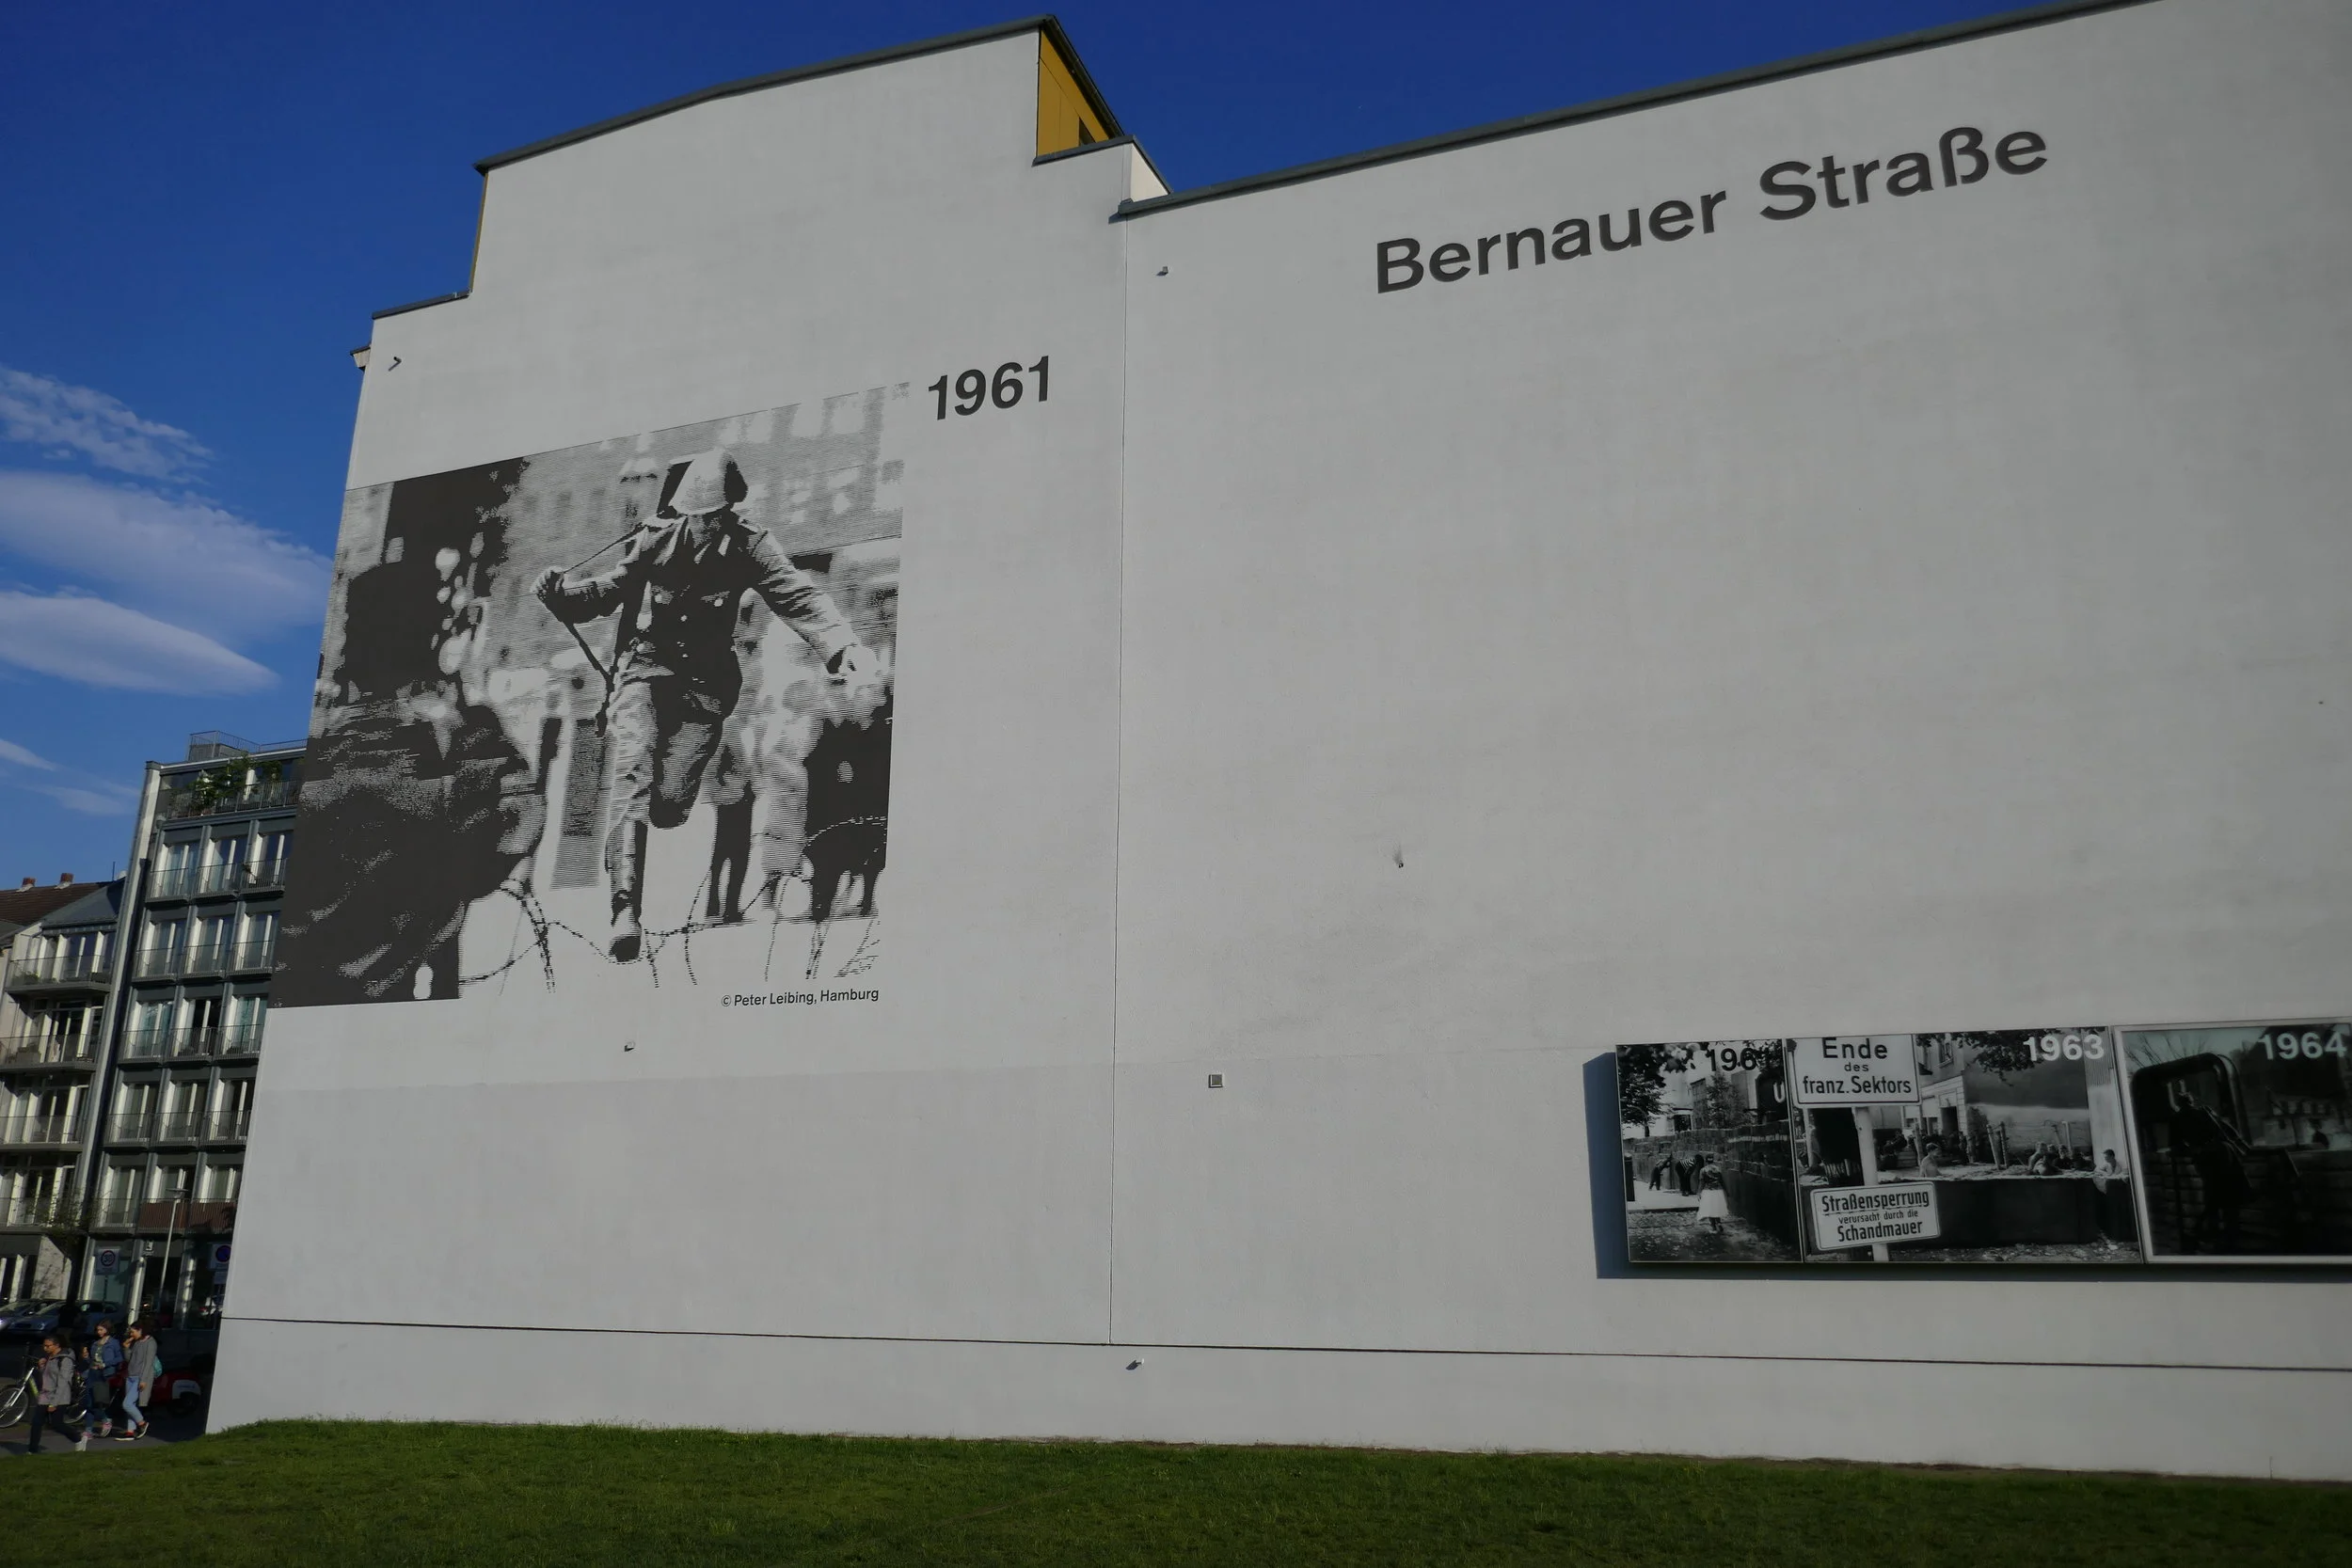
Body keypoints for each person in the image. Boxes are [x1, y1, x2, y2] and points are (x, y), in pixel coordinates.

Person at [535, 449, 872, 960]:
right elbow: (608, 593)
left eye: (716, 517)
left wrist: (841, 645)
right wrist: (561, 593)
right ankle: (625, 912)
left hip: (705, 688)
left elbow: (796, 596)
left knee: (668, 807)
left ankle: (658, 819)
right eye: (699, 517)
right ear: (685, 511)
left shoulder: (751, 545)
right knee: (631, 778)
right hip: (646, 670)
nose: (706, 527)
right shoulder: (655, 539)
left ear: (729, 511)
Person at [25, 1334, 76, 1454]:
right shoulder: (50, 1357)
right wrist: (42, 1366)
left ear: (57, 1345)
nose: (45, 1348)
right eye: (44, 1346)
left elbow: (63, 1382)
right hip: (45, 1395)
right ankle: (33, 1450)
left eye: (48, 1346)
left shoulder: (65, 1359)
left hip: (59, 1397)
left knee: (57, 1424)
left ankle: (77, 1438)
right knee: (37, 1423)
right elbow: (47, 1376)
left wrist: (54, 1403)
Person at [81, 1320, 123, 1443]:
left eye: (101, 1330)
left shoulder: (113, 1343)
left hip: (104, 1374)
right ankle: (89, 1430)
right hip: (93, 1372)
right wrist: (86, 1358)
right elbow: (92, 1361)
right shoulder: (95, 1344)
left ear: (107, 1330)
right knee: (89, 1401)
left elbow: (119, 1358)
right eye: (98, 1330)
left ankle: (105, 1420)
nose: (99, 1332)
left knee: (96, 1400)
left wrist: (106, 1364)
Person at [119, 1321, 158, 1440]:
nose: (131, 1334)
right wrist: (126, 1348)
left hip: (140, 1377)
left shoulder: (151, 1343)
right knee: (130, 1404)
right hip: (131, 1375)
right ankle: (130, 1431)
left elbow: (148, 1362)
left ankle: (142, 1423)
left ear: (140, 1330)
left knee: (127, 1403)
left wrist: (144, 1380)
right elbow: (130, 1359)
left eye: (133, 1332)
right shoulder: (136, 1342)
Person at [1695, 1159, 1729, 1233]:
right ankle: (1719, 1224)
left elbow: (1701, 1183)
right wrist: (1726, 1191)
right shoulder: (1718, 1169)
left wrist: (1699, 1193)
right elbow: (1722, 1181)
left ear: (1706, 1161)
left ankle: (1713, 1227)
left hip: (1708, 1191)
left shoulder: (1703, 1170)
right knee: (1716, 1208)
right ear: (1712, 1161)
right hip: (1718, 1191)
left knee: (1709, 1209)